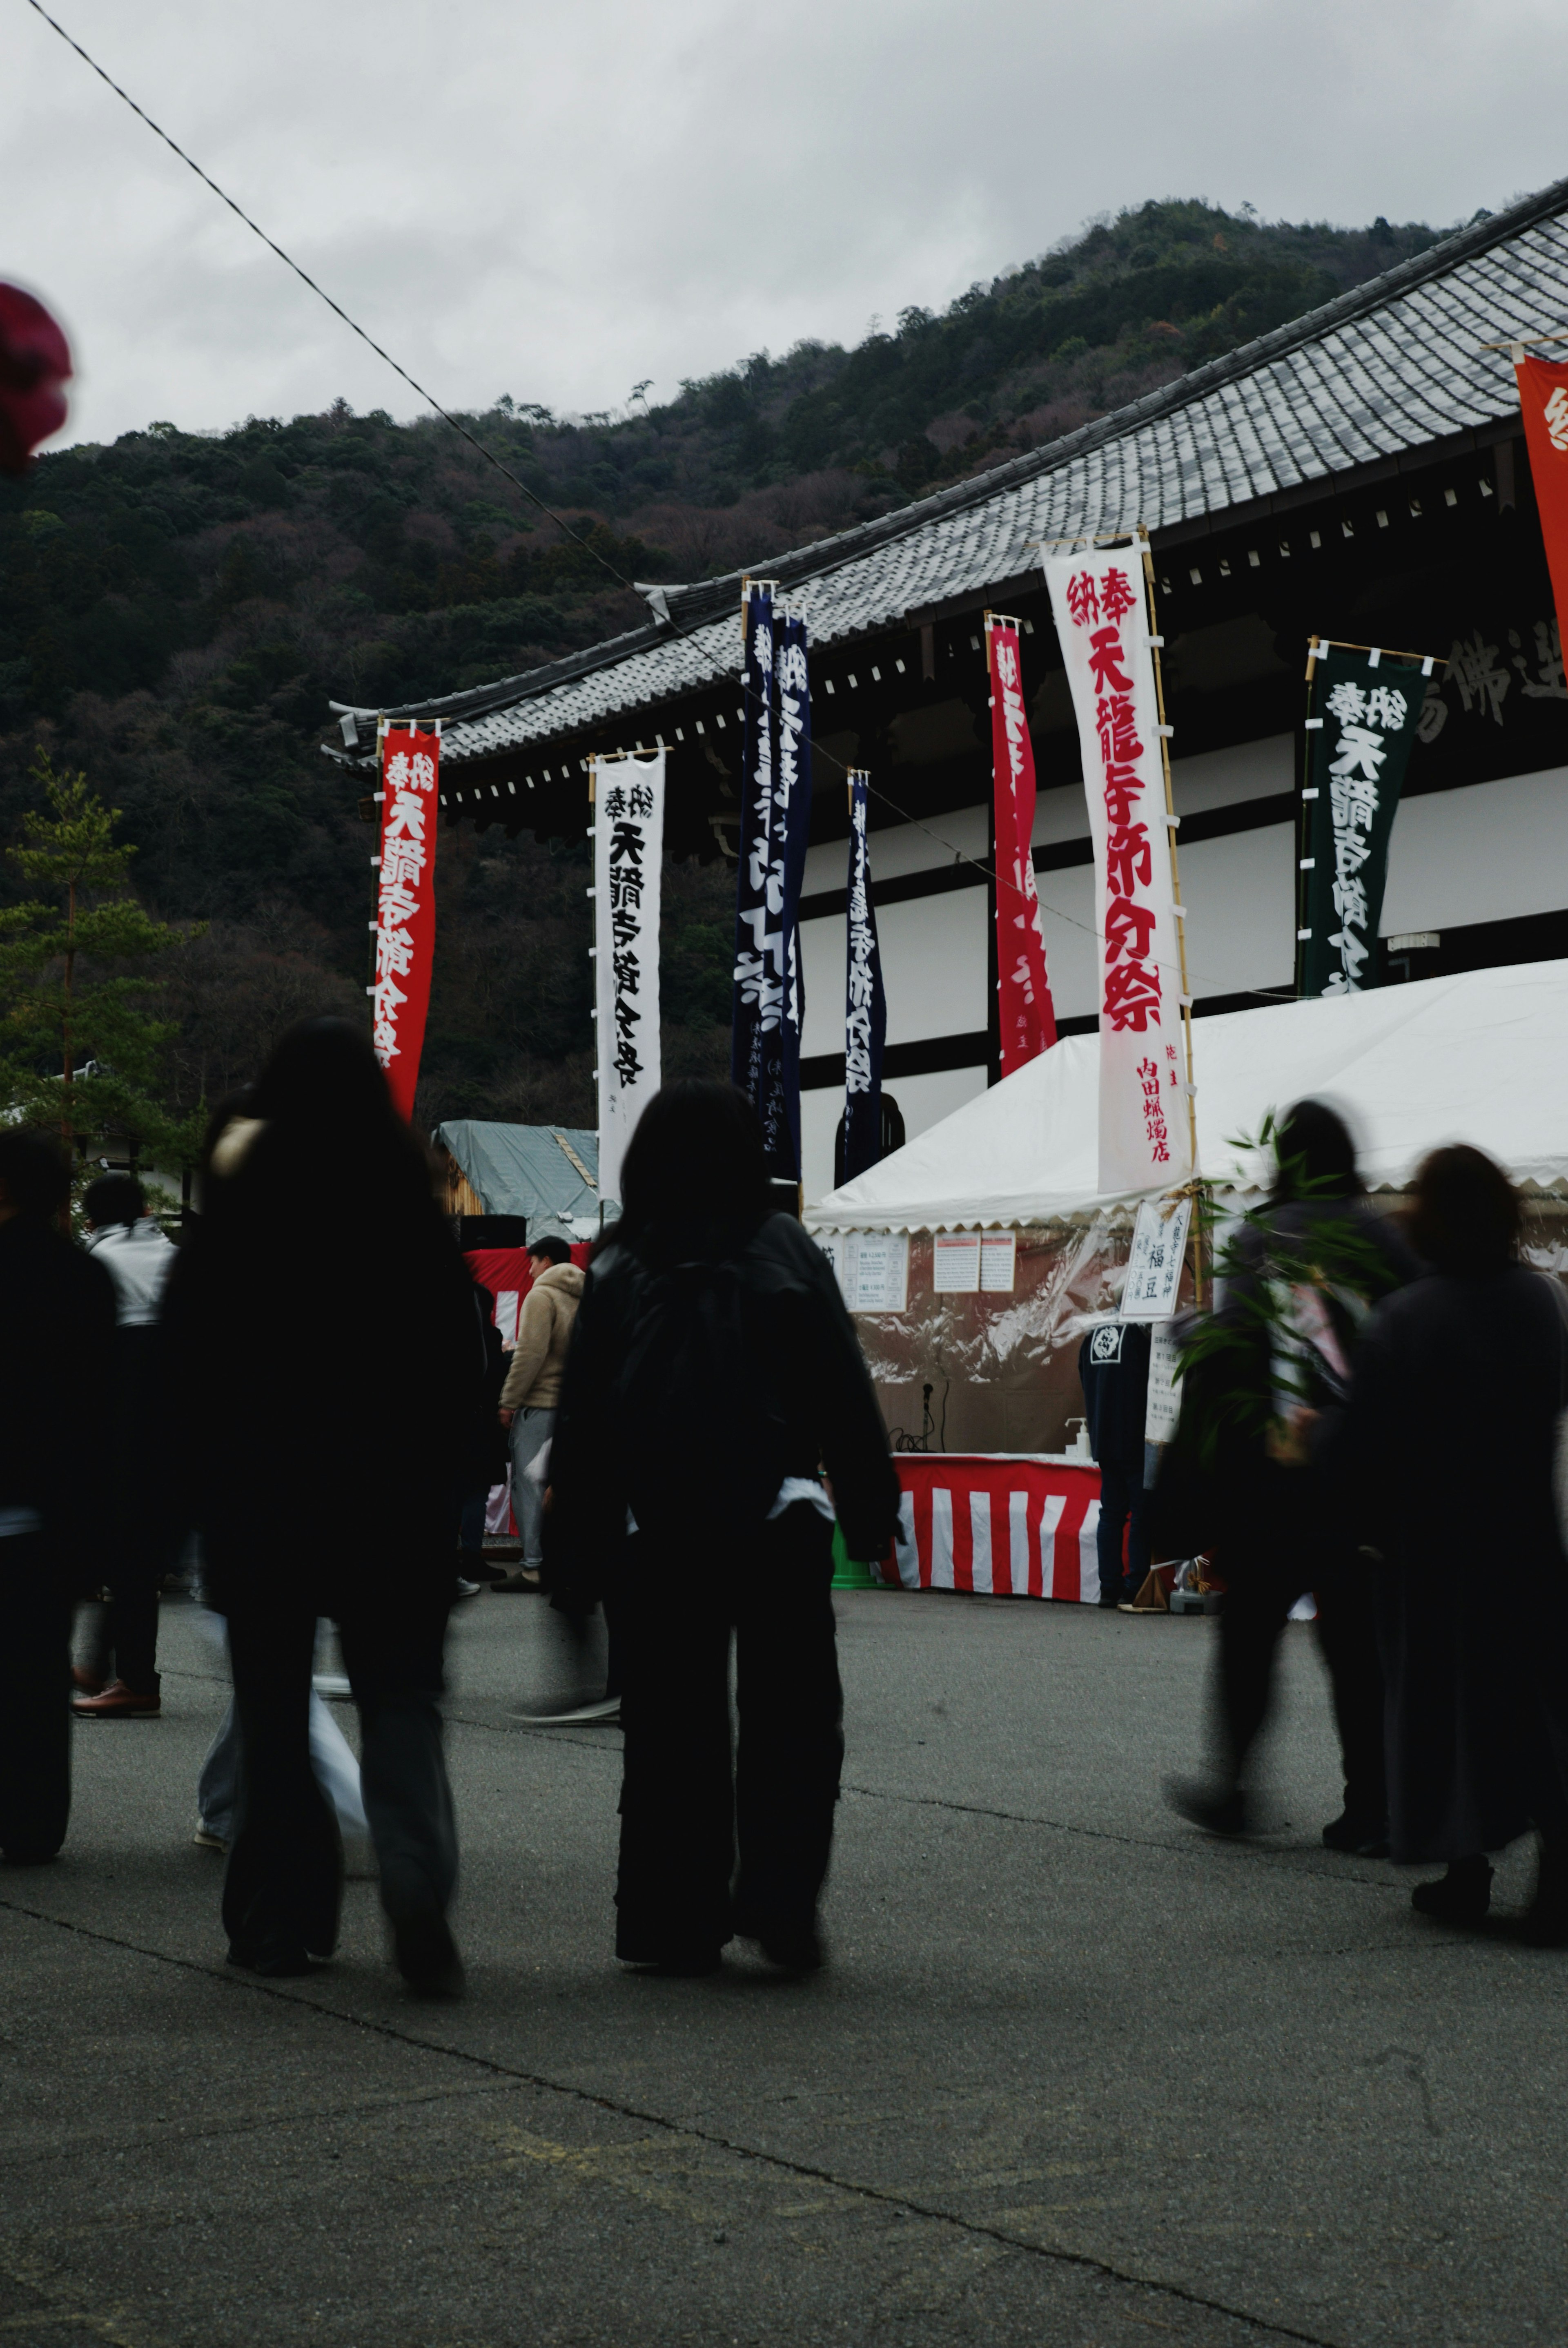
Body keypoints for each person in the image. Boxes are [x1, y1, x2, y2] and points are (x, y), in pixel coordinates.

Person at [163, 1021, 491, 1991]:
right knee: (401, 1711)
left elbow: (184, 1372)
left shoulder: (235, 1218)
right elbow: (456, 1376)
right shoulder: (406, 1213)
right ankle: (416, 1887)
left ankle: (279, 1920)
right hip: (391, 1510)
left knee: (271, 1718)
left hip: (261, 1506)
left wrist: (178, 1495)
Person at [546, 1079, 900, 1976]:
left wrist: (576, 1556)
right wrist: (869, 1509)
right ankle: (780, 1908)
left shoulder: (621, 1261)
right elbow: (840, 1386)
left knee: (671, 1727)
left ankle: (674, 1917)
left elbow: (585, 1420)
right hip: (778, 1519)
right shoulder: (784, 1246)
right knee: (794, 1723)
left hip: (656, 1531)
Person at [1159, 1099, 1420, 1853]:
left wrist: (1189, 1330)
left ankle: (1232, 1785)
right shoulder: (1381, 1235)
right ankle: (1372, 1807)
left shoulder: (1262, 1235)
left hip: (1269, 1485)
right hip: (1358, 1478)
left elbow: (1236, 1340)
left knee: (1247, 1636)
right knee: (1357, 1649)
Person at [1330, 1146, 1568, 1941]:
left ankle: (1465, 1870)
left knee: (1442, 1711)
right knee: (1534, 1709)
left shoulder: (1406, 1316)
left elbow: (1367, 1440)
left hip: (1431, 1547)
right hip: (1528, 1534)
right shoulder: (1542, 1300)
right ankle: (1556, 1880)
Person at [0, 1129, 116, 1862]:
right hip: (54, 1507)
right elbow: (101, 1406)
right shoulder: (85, 1275)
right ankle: (36, 1821)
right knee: (39, 1672)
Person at [73, 1173, 177, 1719]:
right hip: (179, 1426)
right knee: (138, 1554)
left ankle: (132, 1677)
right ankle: (105, 1665)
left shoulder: (100, 1262)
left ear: (91, 1219)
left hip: (123, 1424)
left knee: (127, 1555)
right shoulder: (170, 1254)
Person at [494, 1233, 584, 1594]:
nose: (529, 1271)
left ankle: (534, 1568)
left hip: (539, 1407)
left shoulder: (541, 1295)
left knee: (530, 1488)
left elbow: (530, 1354)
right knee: (564, 1489)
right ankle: (565, 1562)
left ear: (546, 1261)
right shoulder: (584, 1295)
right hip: (572, 1408)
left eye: (532, 1262)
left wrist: (508, 1400)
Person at [1077, 1318, 1152, 1607]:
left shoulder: (1091, 1332)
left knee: (1111, 1513)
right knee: (1141, 1514)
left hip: (1104, 1435)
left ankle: (1109, 1587)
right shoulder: (1138, 1333)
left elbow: (1084, 1376)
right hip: (1134, 1435)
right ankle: (1136, 1586)